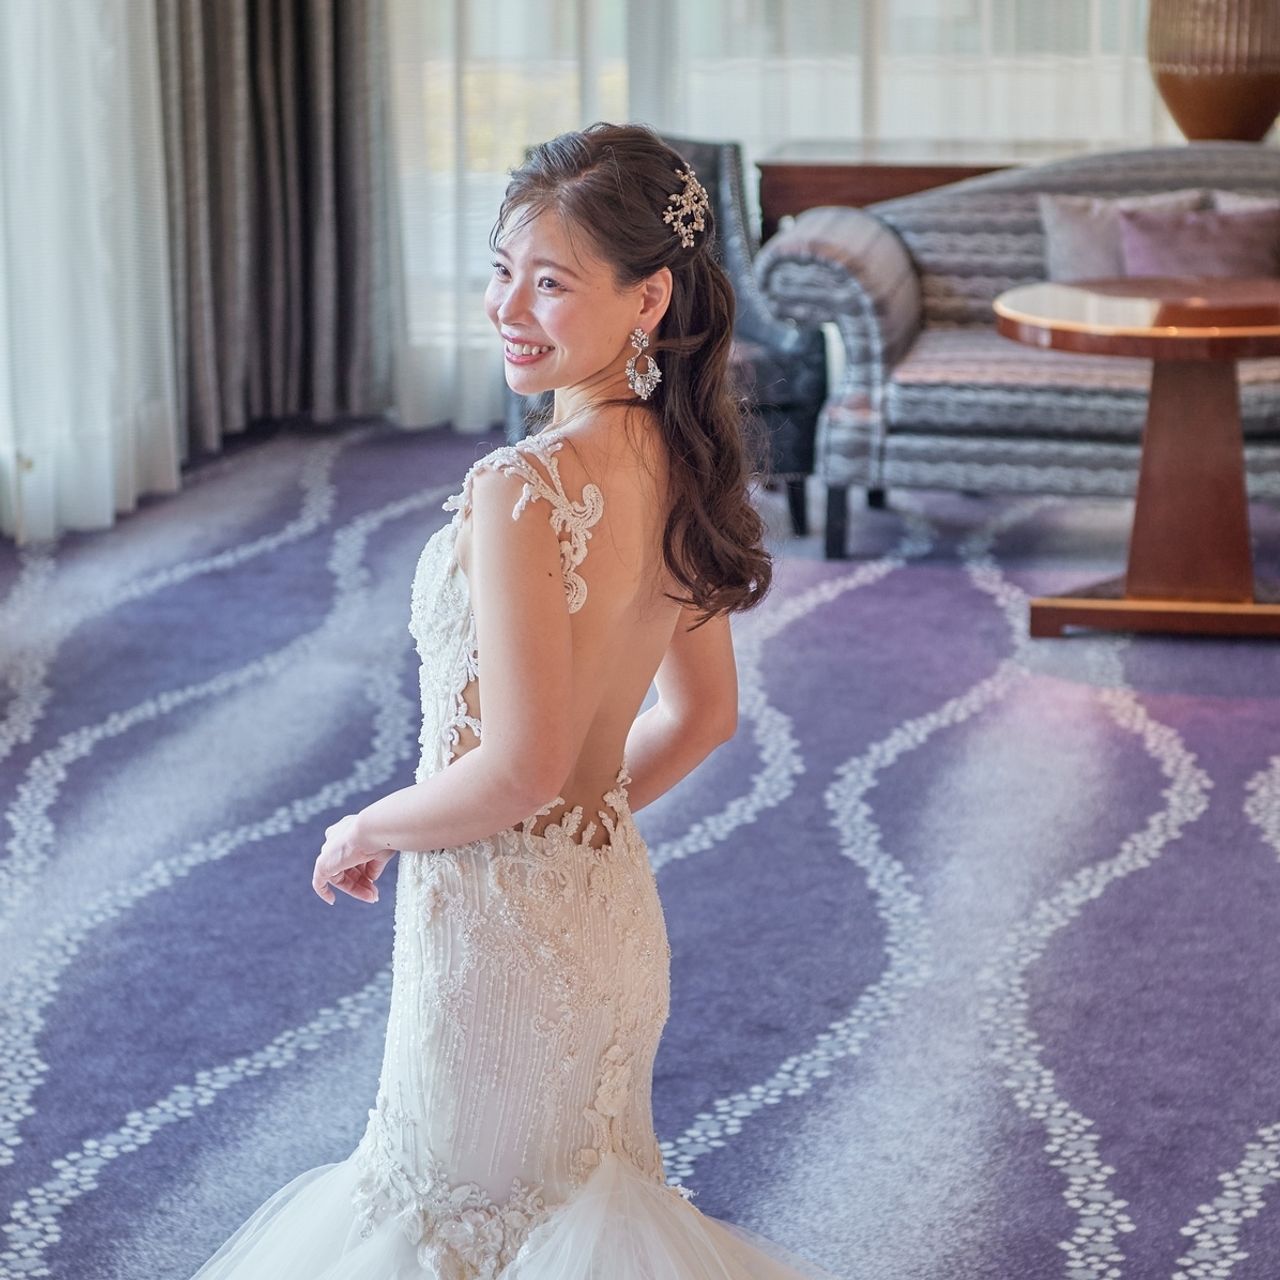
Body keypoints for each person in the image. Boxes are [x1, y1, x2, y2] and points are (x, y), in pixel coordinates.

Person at [190, 122, 837, 1280]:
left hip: (495, 939)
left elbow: (518, 767)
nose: (507, 306)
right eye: (501, 269)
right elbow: (700, 716)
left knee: (452, 1223)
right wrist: (581, 822)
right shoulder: (684, 463)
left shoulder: (522, 485)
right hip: (607, 910)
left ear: (647, 299)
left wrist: (368, 823)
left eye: (550, 282)